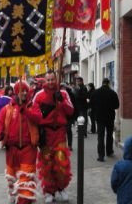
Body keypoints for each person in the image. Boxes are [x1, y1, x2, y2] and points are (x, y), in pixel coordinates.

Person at [0, 80, 41, 204]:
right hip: (12, 150)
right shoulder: (7, 108)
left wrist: (24, 110)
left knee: (26, 183)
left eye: (26, 90)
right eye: (21, 91)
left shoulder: (33, 106)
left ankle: (24, 200)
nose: (24, 93)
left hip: (28, 149)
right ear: (16, 93)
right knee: (13, 181)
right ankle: (15, 197)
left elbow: (38, 118)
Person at [31, 70, 74, 203]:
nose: (50, 82)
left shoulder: (63, 93)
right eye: (48, 80)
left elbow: (71, 111)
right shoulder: (38, 95)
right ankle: (49, 191)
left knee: (61, 161)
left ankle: (61, 188)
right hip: (46, 134)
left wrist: (62, 101)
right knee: (47, 163)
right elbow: (35, 115)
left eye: (52, 79)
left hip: (60, 133)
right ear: (45, 81)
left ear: (56, 80)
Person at [92, 78, 119, 162]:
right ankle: (109, 151)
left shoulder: (96, 92)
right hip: (110, 117)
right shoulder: (113, 93)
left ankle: (101, 155)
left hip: (99, 117)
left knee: (100, 136)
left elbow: (91, 104)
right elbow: (117, 106)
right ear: (109, 83)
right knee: (109, 135)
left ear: (102, 83)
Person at [61, 82, 77, 151]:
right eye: (61, 88)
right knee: (62, 131)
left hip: (69, 116)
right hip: (61, 116)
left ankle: (69, 145)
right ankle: (63, 144)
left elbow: (74, 106)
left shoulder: (70, 94)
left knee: (68, 130)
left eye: (63, 87)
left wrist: (74, 117)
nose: (62, 89)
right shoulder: (58, 94)